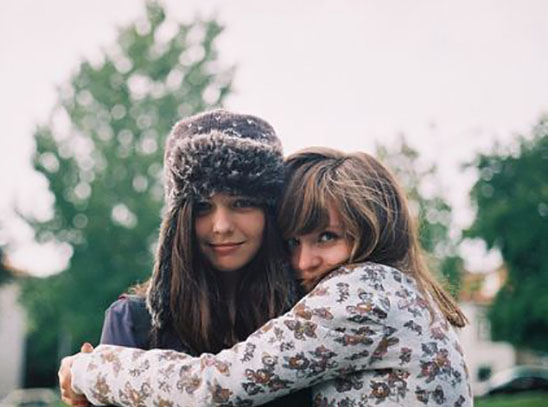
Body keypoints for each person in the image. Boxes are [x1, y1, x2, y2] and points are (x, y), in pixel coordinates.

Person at [60, 146, 472, 407]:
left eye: (327, 237)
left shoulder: (358, 297)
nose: (304, 261)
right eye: (292, 242)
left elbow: (214, 386)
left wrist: (88, 369)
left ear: (375, 229)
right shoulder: (398, 293)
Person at [67, 110, 310, 406]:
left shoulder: (309, 317)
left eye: (242, 203)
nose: (221, 226)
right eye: (202, 207)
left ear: (270, 213)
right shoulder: (133, 322)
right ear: (176, 222)